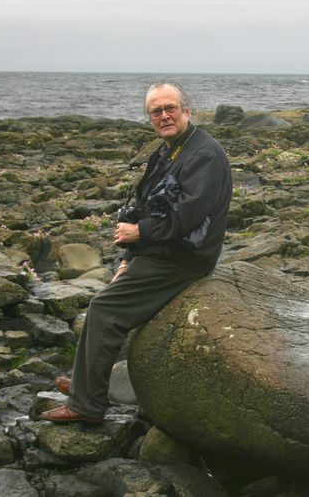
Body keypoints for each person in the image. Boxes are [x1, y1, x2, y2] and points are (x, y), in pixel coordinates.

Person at [39, 82, 232, 424]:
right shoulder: (167, 150)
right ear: (150, 118)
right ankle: (85, 385)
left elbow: (189, 217)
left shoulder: (204, 154)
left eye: (170, 108)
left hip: (186, 258)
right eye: (156, 111)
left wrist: (140, 233)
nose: (164, 116)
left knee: (104, 309)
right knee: (106, 300)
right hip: (163, 250)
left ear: (187, 111)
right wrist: (128, 258)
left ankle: (87, 406)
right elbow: (144, 206)